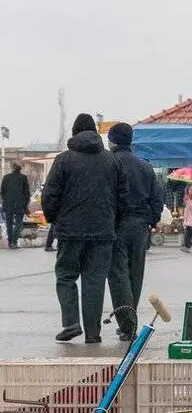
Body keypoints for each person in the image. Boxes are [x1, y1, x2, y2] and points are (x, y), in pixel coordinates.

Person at [42, 113, 128, 343]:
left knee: (66, 275)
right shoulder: (112, 161)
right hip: (103, 232)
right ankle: (93, 333)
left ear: (74, 133)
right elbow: (123, 197)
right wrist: (112, 221)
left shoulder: (63, 160)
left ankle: (71, 323)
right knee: (94, 280)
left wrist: (55, 220)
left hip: (70, 231)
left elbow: (50, 195)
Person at [105, 123, 164, 341]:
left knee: (118, 274)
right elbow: (157, 197)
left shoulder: (109, 163)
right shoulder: (145, 166)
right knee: (135, 273)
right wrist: (152, 220)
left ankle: (127, 324)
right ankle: (130, 320)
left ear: (112, 141)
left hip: (117, 224)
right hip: (140, 225)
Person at [1, 162, 31, 249]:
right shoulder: (24, 178)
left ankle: (10, 242)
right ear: (20, 169)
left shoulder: (6, 177)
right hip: (20, 204)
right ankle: (14, 242)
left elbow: (2, 191)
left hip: (8, 204)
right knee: (19, 223)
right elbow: (26, 193)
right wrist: (25, 204)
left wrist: (6, 200)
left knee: (9, 224)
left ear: (12, 168)